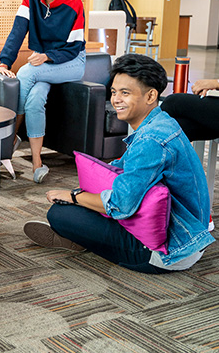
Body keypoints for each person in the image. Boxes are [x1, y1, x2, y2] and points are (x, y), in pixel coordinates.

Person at [23, 54, 215, 273]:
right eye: (114, 92)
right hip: (189, 235)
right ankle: (80, 235)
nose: (116, 100)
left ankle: (80, 240)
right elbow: (123, 169)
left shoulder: (150, 142)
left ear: (151, 95)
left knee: (59, 213)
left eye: (125, 93)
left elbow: (121, 205)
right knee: (83, 201)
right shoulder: (162, 123)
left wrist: (73, 196)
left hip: (166, 253)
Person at [0, 0, 86, 183]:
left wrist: (47, 56)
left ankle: (10, 138)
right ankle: (37, 163)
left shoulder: (74, 3)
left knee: (26, 72)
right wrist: (5, 61)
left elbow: (75, 47)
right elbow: (18, 31)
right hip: (44, 62)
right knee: (35, 99)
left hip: (71, 61)